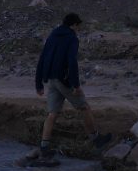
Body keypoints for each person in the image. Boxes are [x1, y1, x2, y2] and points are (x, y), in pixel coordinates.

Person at [35, 12, 111, 159]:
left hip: (50, 79)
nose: (79, 29)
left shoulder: (52, 35)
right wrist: (76, 85)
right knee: (84, 107)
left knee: (52, 113)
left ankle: (44, 147)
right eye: (78, 26)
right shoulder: (71, 38)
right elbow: (72, 62)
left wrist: (38, 84)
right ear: (74, 25)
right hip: (64, 81)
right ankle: (96, 140)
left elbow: (42, 58)